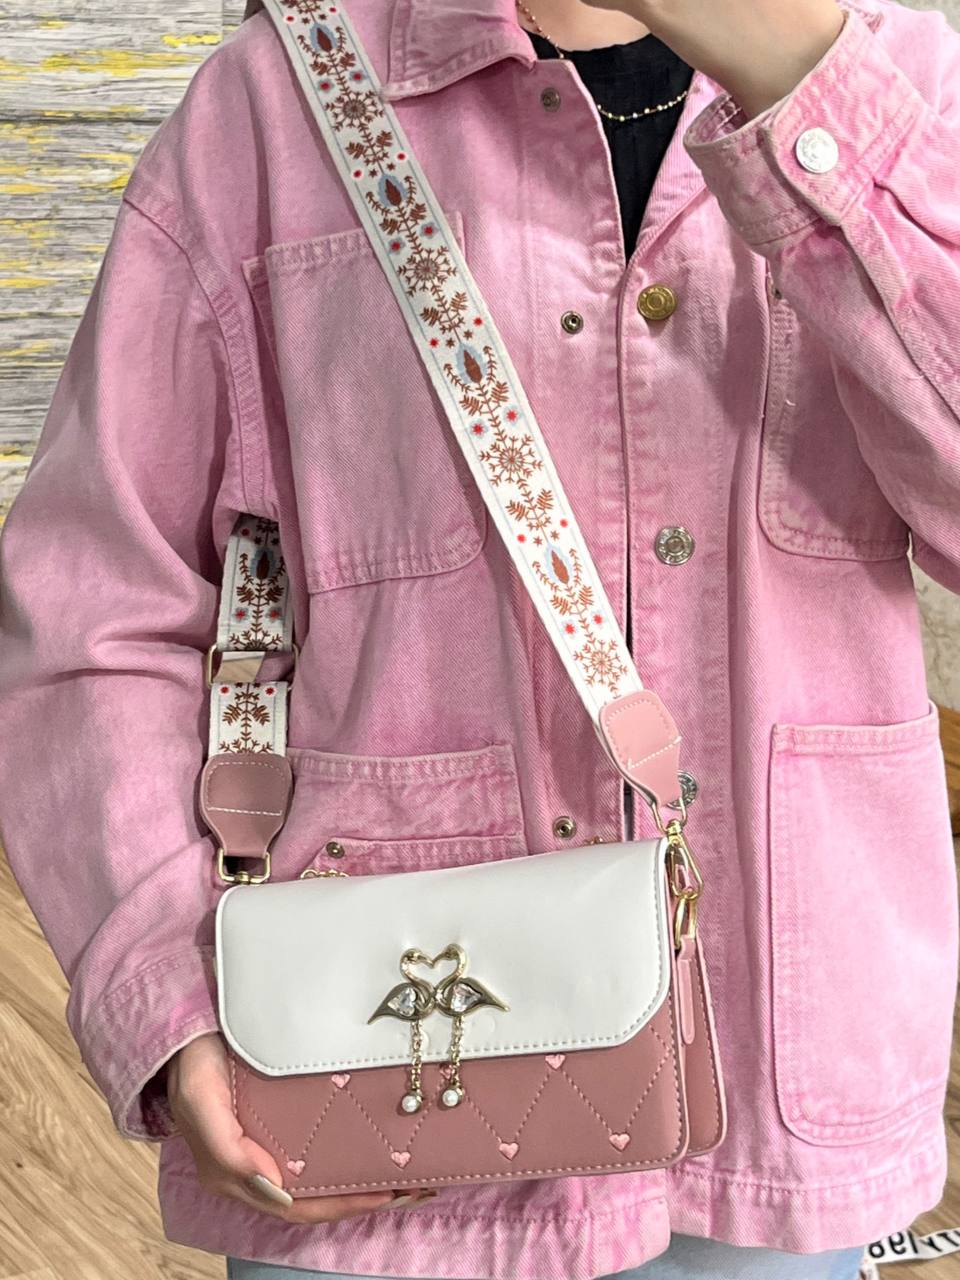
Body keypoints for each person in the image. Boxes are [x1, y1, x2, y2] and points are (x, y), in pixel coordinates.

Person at [0, 0, 957, 1277]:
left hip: (783, 1061)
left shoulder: (905, 88)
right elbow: (93, 604)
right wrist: (163, 997)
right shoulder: (275, 107)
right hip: (380, 1090)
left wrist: (805, 89)